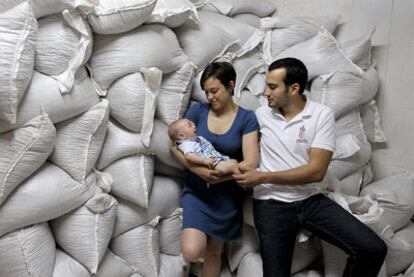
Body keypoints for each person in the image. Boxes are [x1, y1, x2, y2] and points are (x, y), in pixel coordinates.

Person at [233, 57, 387, 277]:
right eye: (267, 85)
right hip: (271, 204)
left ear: (294, 88)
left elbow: (316, 172)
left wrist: (261, 177)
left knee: (373, 248)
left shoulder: (320, 114)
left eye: (273, 87)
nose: (266, 92)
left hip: (311, 199)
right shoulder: (261, 115)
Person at [170, 61, 259, 277]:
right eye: (206, 92)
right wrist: (197, 170)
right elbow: (176, 146)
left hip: (227, 196)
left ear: (231, 86)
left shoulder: (247, 118)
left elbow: (250, 163)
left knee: (213, 252)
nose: (209, 97)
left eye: (214, 91)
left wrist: (219, 177)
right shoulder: (197, 111)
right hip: (197, 193)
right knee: (191, 251)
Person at [168, 118, 240, 176]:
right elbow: (189, 156)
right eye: (190, 125)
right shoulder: (187, 144)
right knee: (233, 167)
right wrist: (204, 161)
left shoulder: (195, 140)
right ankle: (245, 184)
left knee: (234, 162)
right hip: (212, 164)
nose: (194, 125)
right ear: (182, 135)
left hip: (217, 159)